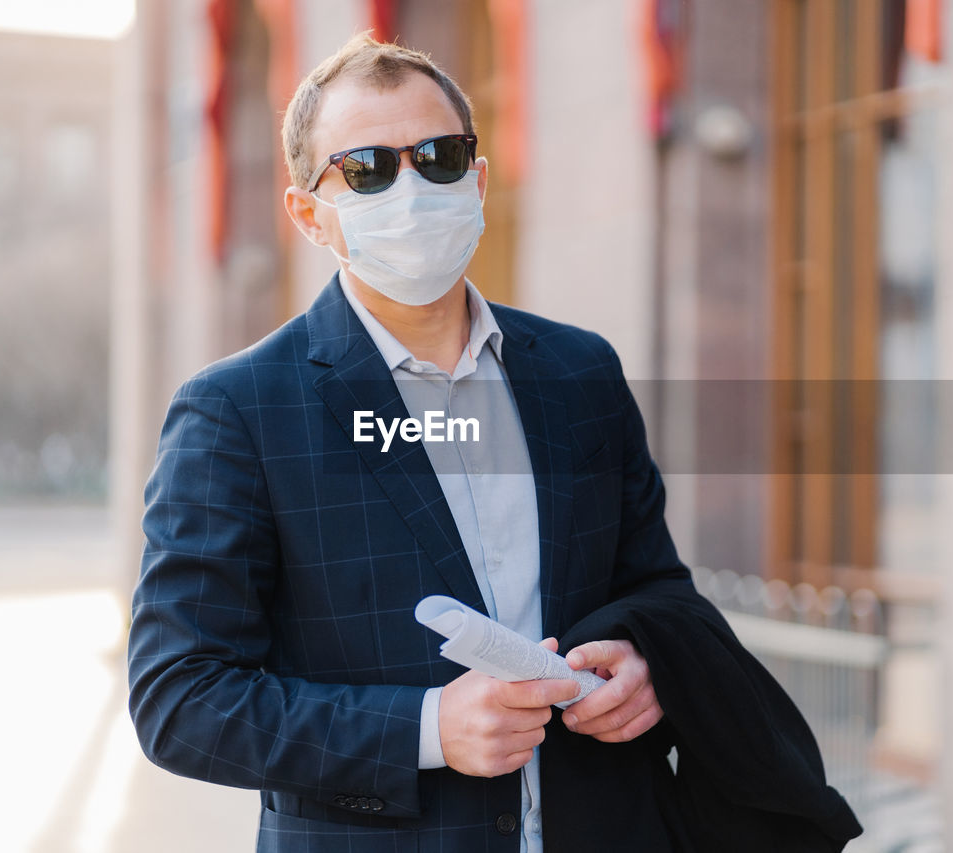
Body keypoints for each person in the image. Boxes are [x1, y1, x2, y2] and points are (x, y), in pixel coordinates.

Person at [127, 34, 859, 853]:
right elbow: (179, 697)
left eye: (439, 156)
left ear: (476, 179)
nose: (411, 188)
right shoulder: (237, 411)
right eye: (367, 169)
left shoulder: (579, 371)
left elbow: (658, 585)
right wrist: (429, 726)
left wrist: (645, 662)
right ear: (308, 212)